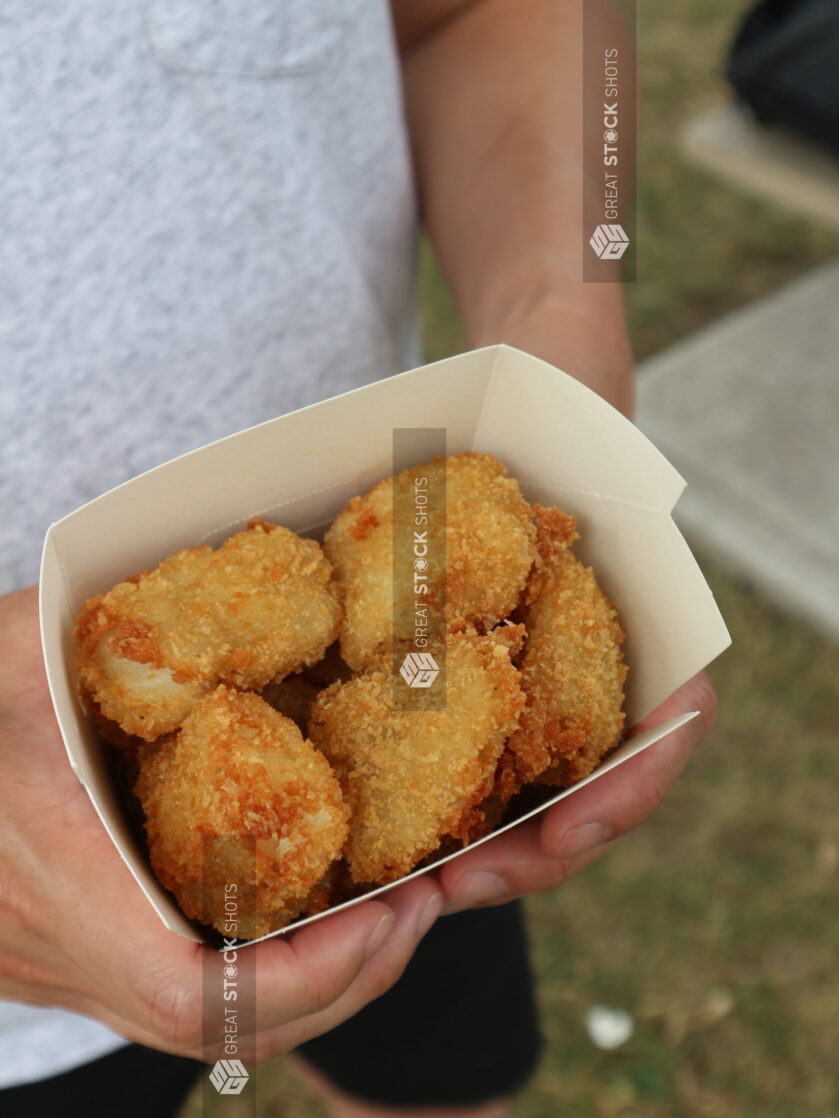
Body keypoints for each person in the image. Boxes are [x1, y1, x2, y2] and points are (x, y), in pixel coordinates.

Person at [0, 1, 716, 1115]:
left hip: (413, 794)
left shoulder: (429, 696)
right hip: (24, 1005)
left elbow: (482, 14)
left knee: (440, 1072)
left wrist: (558, 357)